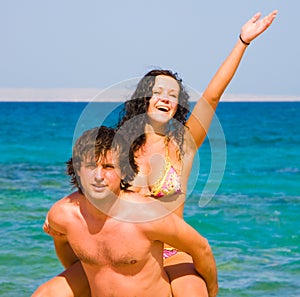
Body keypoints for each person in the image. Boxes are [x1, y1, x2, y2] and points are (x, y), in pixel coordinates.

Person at [33, 10, 278, 297]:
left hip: (173, 252)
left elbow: (212, 95)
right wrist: (62, 211)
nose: (165, 98)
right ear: (145, 98)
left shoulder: (182, 145)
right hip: (122, 247)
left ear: (177, 105)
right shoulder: (118, 146)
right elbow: (92, 174)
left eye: (173, 94)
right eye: (158, 91)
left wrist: (242, 42)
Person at [32, 126, 218, 297]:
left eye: (108, 167)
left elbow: (201, 248)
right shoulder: (63, 215)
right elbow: (65, 244)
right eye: (90, 166)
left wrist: (211, 291)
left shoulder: (147, 215)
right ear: (78, 171)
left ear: (124, 170)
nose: (98, 176)